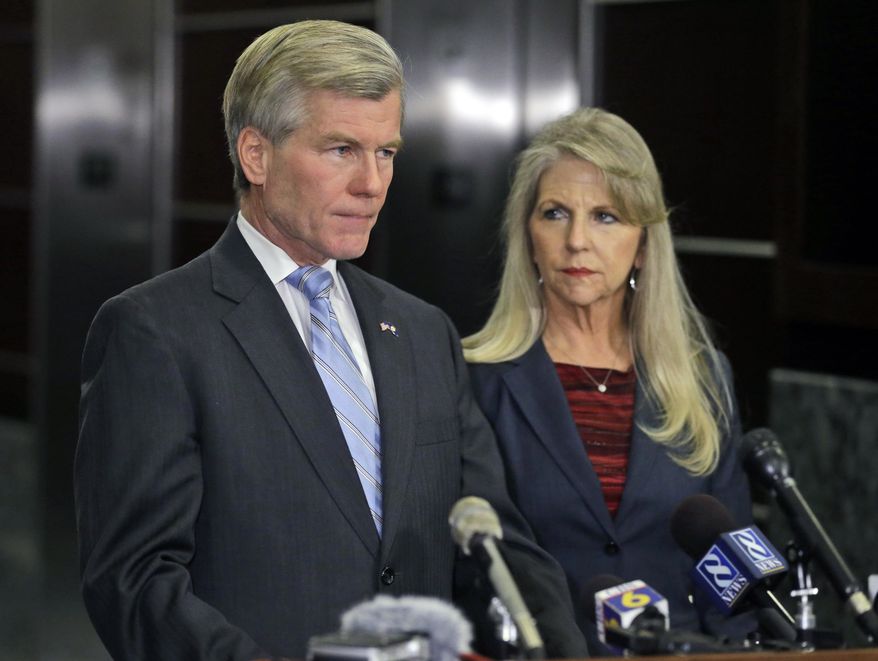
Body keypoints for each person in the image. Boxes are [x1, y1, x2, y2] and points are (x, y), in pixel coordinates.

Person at [74, 20, 587, 661]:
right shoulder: (155, 332)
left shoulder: (423, 331)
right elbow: (135, 581)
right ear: (256, 155)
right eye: (341, 150)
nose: (372, 183)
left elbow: (495, 541)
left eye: (386, 153)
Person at [463, 107, 753, 652]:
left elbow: (732, 568)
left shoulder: (703, 378)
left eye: (605, 216)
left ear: (643, 244)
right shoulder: (475, 379)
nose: (577, 240)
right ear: (527, 235)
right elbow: (470, 568)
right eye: (555, 213)